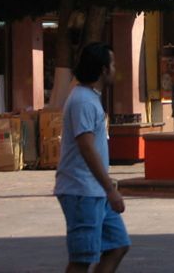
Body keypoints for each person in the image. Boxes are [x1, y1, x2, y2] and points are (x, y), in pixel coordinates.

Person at [54, 42, 130, 273]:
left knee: (117, 245)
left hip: (94, 191)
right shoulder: (83, 101)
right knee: (82, 258)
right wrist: (110, 188)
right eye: (113, 64)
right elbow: (86, 147)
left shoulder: (89, 98)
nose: (115, 69)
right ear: (103, 69)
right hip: (81, 191)